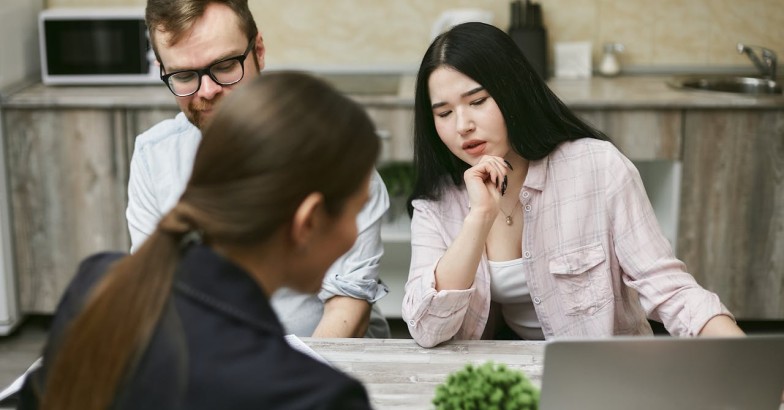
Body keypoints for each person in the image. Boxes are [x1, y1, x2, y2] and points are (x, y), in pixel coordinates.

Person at [19, 72, 377, 410]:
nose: (353, 236)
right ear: (307, 221)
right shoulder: (319, 397)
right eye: (355, 211)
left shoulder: (94, 284)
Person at [401, 22, 745, 348]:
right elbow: (428, 329)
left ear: (513, 92)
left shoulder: (599, 167)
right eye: (444, 113)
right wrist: (479, 217)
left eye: (477, 102)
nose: (462, 125)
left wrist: (748, 360)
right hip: (504, 371)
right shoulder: (436, 203)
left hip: (600, 371)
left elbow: (670, 289)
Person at [127, 0, 390, 338]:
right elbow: (156, 297)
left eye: (225, 66)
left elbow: (348, 308)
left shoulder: (334, 153)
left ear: (259, 52)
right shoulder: (154, 156)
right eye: (184, 75)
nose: (207, 91)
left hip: (326, 356)